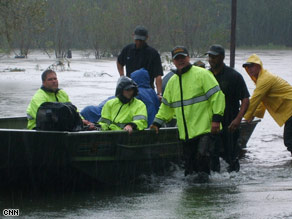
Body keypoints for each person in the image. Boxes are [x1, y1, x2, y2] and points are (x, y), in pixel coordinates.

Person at [150, 46, 225, 176]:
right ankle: (195, 193)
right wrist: (157, 123)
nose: (180, 61)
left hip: (205, 130)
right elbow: (166, 107)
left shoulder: (203, 74)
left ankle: (208, 192)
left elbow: (217, 97)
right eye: (177, 58)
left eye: (183, 57)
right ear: (173, 61)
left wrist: (216, 120)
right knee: (189, 170)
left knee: (202, 160)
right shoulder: (172, 82)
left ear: (188, 58)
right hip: (186, 134)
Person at [206, 44, 250, 172]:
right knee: (212, 155)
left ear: (222, 57)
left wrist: (238, 119)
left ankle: (232, 183)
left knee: (231, 155)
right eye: (210, 56)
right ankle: (215, 182)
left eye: (214, 57)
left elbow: (245, 100)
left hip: (230, 122)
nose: (211, 59)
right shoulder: (205, 75)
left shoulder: (234, 76)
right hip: (211, 123)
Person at [243, 54, 292, 155]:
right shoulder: (261, 79)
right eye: (248, 67)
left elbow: (255, 100)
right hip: (289, 111)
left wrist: (245, 117)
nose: (250, 69)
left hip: (290, 109)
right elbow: (262, 101)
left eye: (252, 66)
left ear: (258, 66)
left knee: (289, 140)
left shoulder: (265, 79)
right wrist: (253, 115)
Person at [81, 68, 159, 127]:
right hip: (152, 125)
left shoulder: (137, 96)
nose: (129, 92)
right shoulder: (152, 93)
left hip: (133, 130)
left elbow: (102, 110)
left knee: (89, 110)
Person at [26, 69, 94, 130]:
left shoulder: (62, 93)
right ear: (43, 83)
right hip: (38, 129)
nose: (54, 81)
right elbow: (46, 118)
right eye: (50, 79)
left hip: (58, 127)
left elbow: (73, 110)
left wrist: (81, 121)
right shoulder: (39, 97)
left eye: (55, 79)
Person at [117, 25, 163, 99]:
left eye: (141, 40)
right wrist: (122, 77)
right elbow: (119, 62)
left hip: (147, 90)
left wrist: (159, 94)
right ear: (133, 36)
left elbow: (158, 76)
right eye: (137, 39)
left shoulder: (153, 53)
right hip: (129, 90)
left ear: (147, 38)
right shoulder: (127, 49)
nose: (138, 42)